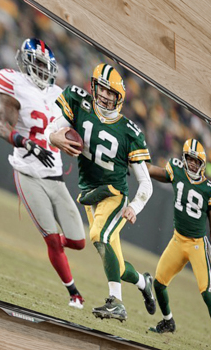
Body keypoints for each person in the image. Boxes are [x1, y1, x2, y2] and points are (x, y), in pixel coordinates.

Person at [56, 62, 157, 322]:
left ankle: (117, 303)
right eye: (102, 88)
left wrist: (134, 206)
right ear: (93, 86)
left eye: (111, 93)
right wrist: (54, 136)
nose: (105, 95)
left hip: (113, 194)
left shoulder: (130, 132)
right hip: (89, 194)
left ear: (119, 98)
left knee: (98, 235)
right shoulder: (78, 102)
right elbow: (56, 124)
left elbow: (146, 183)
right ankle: (145, 284)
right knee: (119, 267)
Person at [0, 37, 87, 309]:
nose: (43, 71)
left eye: (47, 66)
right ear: (24, 61)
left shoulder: (57, 94)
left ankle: (52, 242)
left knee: (78, 241)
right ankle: (74, 293)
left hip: (56, 177)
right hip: (28, 172)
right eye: (38, 64)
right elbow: (2, 126)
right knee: (52, 241)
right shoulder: (14, 83)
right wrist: (27, 144)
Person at [144, 138, 211, 350]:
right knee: (159, 283)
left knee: (206, 292)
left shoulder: (210, 190)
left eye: (195, 161)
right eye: (189, 159)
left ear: (202, 164)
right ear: (184, 159)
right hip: (177, 240)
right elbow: (153, 170)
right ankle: (168, 321)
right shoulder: (175, 170)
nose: (191, 164)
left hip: (197, 245)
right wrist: (135, 164)